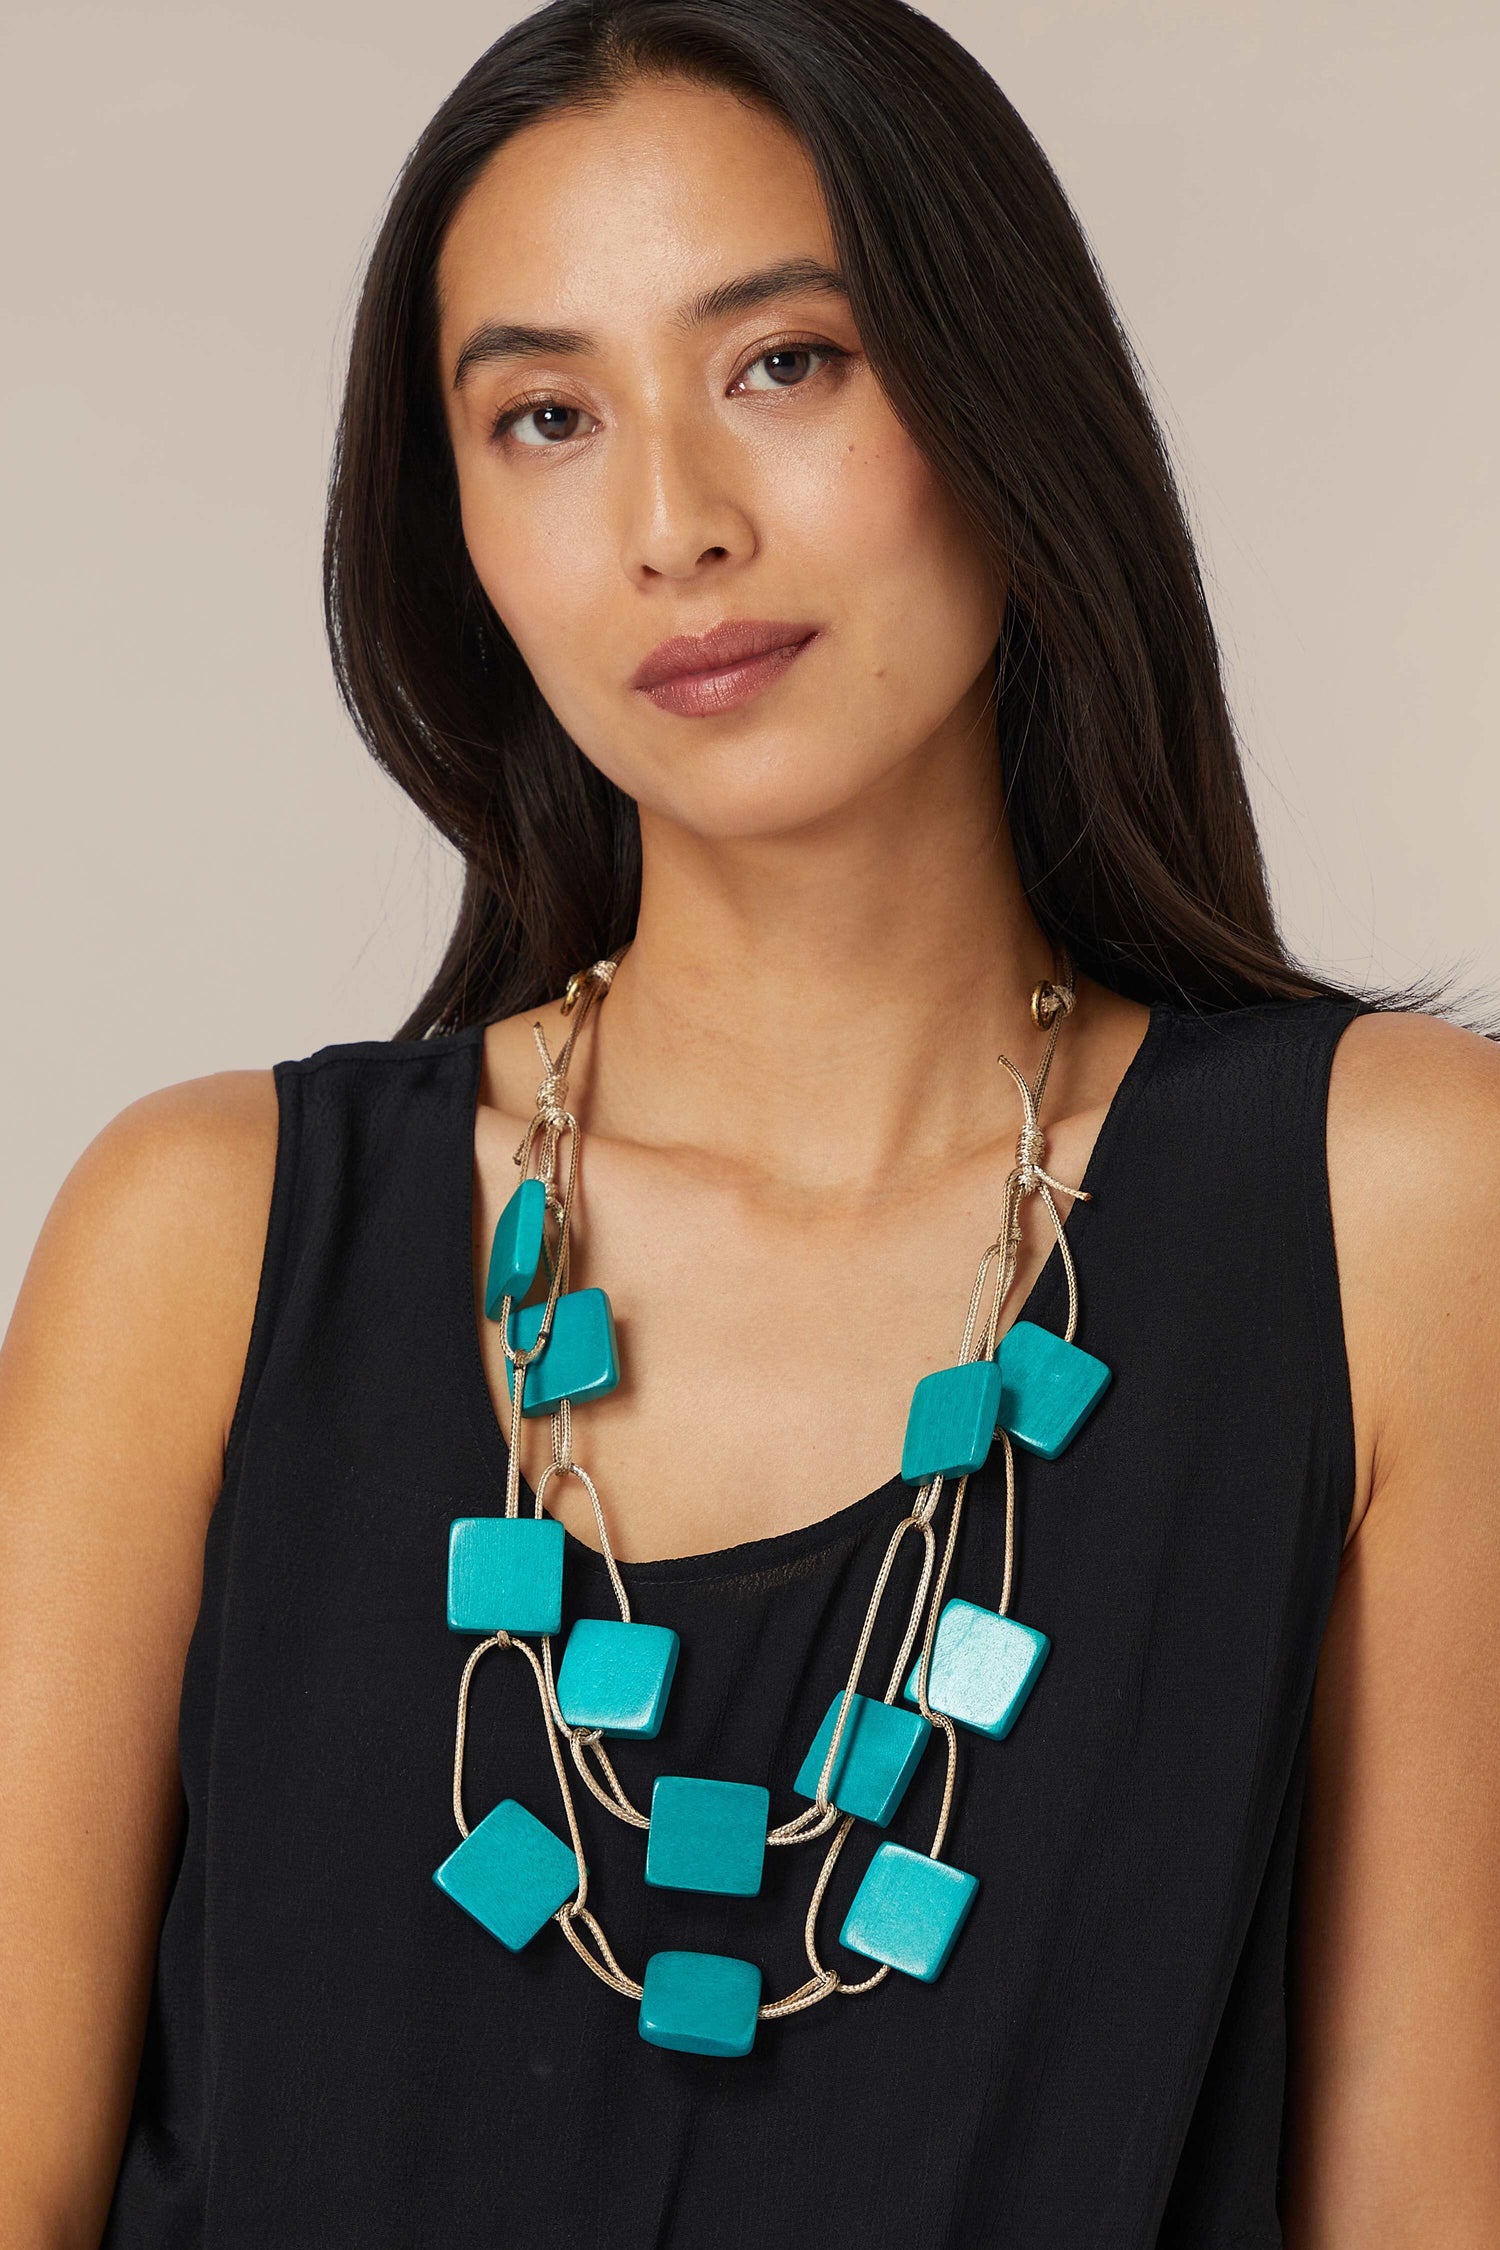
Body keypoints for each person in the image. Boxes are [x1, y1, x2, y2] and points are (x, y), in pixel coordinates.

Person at [2, 0, 1497, 2242]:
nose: (675, 524)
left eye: (784, 362)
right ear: (463, 539)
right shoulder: (204, 1245)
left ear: (1003, 396)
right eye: (542, 416)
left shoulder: (1397, 1211)